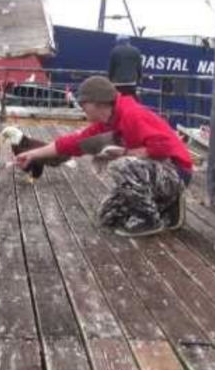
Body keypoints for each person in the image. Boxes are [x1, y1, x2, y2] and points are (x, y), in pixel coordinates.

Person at [15, 76, 193, 237]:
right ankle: (166, 205)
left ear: (98, 103)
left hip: (176, 172)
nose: (83, 109)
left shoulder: (132, 114)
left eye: (84, 105)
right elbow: (71, 143)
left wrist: (124, 154)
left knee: (120, 165)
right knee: (107, 216)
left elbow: (164, 147)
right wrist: (32, 155)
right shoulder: (108, 122)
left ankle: (149, 220)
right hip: (153, 173)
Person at [109, 34, 142, 99]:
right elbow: (139, 67)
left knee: (117, 100)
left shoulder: (114, 51)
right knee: (131, 100)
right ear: (128, 41)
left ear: (118, 41)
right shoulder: (136, 51)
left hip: (117, 83)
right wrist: (139, 78)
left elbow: (111, 68)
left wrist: (110, 79)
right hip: (131, 83)